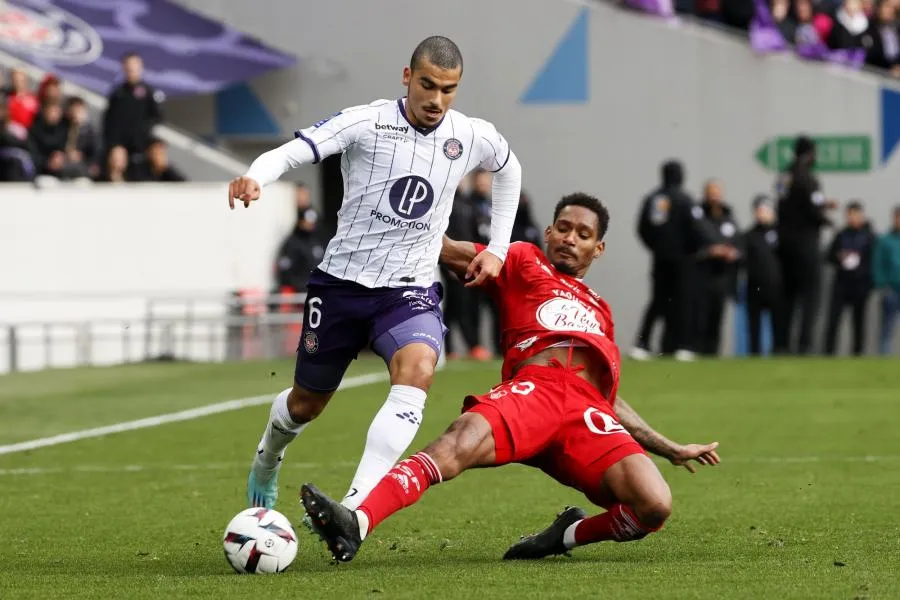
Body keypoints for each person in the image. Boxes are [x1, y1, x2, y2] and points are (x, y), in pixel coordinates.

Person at [300, 193, 720, 563]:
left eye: (583, 234)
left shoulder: (601, 310)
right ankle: (357, 522)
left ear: (598, 248)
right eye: (563, 228)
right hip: (534, 391)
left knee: (654, 505)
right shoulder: (522, 259)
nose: (570, 239)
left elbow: (609, 398)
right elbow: (450, 251)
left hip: (588, 413)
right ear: (549, 232)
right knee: (458, 442)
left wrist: (670, 448)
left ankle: (565, 536)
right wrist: (395, 220)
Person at [229, 36, 522, 512]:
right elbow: (291, 152)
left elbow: (510, 169)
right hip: (341, 286)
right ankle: (268, 455)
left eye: (448, 89)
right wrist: (255, 177)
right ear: (407, 77)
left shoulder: (471, 135)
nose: (437, 99)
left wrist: (498, 250)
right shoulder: (365, 122)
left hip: (408, 291)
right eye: (427, 85)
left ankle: (354, 507)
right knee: (306, 404)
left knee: (418, 371)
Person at [632, 160, 705, 361]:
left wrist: (656, 248)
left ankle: (642, 344)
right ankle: (682, 345)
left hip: (660, 259)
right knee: (683, 301)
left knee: (657, 301)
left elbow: (642, 228)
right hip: (683, 261)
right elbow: (697, 229)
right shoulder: (685, 200)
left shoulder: (654, 199)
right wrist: (693, 250)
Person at [776, 136, 837, 355]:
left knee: (787, 296)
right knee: (811, 295)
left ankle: (782, 344)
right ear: (810, 153)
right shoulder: (809, 179)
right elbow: (813, 210)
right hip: (806, 244)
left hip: (784, 245)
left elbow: (784, 204)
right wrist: (827, 219)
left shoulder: (784, 176)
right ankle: (804, 345)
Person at [691, 179, 742, 357]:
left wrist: (732, 253)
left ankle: (713, 354)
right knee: (699, 318)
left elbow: (739, 244)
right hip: (702, 277)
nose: (714, 197)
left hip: (722, 277)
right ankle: (696, 351)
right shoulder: (698, 218)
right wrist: (709, 252)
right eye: (711, 193)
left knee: (717, 318)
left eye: (717, 193)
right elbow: (691, 246)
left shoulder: (729, 218)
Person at [823, 201, 876, 356]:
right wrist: (839, 257)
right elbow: (828, 256)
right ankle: (828, 351)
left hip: (860, 284)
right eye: (849, 215)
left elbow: (874, 260)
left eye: (855, 214)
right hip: (841, 283)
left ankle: (857, 352)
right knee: (833, 319)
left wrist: (868, 281)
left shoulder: (869, 236)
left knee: (859, 321)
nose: (852, 218)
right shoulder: (841, 235)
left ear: (861, 215)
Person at [743, 195, 786, 356]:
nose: (761, 214)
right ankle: (754, 353)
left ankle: (779, 351)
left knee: (779, 323)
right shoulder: (749, 235)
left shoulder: (782, 234)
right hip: (755, 286)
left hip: (777, 286)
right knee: (753, 324)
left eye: (765, 210)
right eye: (759, 210)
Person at [873, 206, 900, 354]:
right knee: (887, 328)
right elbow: (878, 264)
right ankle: (884, 357)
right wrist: (883, 285)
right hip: (892, 290)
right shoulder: (885, 241)